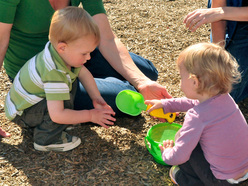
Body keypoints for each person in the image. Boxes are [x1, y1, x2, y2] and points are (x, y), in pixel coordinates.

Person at [0, 0, 172, 120]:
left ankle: (113, 83)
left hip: (78, 55)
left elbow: (107, 38)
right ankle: (112, 85)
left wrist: (141, 82)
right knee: (127, 96)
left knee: (147, 73)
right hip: (44, 74)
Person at [4, 7, 116, 152]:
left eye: (90, 52)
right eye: (84, 53)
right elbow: (57, 114)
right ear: (63, 47)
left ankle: (59, 123)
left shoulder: (60, 54)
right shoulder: (54, 72)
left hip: (30, 104)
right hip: (23, 113)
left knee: (71, 81)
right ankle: (46, 139)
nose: (88, 58)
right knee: (59, 105)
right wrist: (90, 115)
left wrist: (96, 97)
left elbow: (84, 73)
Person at [145, 43, 248, 185]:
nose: (180, 82)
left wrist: (167, 153)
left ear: (194, 82)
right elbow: (195, 103)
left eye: (181, 77)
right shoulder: (225, 99)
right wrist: (166, 104)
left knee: (182, 137)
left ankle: (186, 179)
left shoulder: (197, 117)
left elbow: (179, 156)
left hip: (221, 180)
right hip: (243, 170)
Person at [183, 0, 248, 104]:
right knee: (222, 89)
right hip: (238, 22)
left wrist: (222, 12)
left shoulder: (222, 12)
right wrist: (218, 54)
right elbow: (218, 8)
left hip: (232, 14)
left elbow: (218, 12)